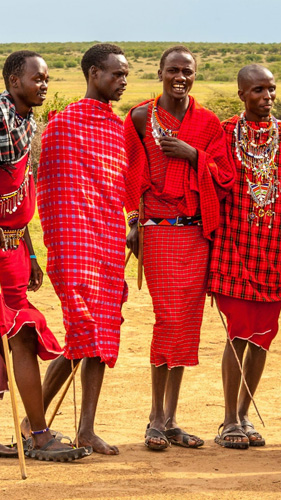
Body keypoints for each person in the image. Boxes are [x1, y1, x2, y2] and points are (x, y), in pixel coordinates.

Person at [124, 45, 235, 450]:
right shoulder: (139, 116)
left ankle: (171, 420)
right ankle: (154, 418)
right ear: (159, 72)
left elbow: (226, 176)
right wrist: (133, 222)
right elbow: (130, 174)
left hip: (196, 233)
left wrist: (193, 156)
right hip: (158, 230)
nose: (180, 77)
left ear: (194, 75)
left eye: (187, 71)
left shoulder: (207, 123)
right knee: (167, 320)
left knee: (187, 326)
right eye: (173, 70)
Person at [35, 43, 129, 455]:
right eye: (115, 74)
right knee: (84, 331)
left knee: (102, 334)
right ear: (93, 73)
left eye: (126, 74)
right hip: (72, 241)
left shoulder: (115, 126)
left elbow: (117, 186)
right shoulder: (63, 124)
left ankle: (86, 428)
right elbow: (49, 191)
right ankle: (33, 423)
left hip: (107, 240)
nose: (122, 81)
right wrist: (58, 242)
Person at [0, 51, 87, 461]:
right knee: (22, 333)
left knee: (20, 335)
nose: (44, 85)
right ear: (15, 80)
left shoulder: (24, 121)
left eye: (47, 79)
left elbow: (20, 195)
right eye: (38, 79)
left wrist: (31, 252)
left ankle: (36, 433)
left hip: (13, 249)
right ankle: (38, 434)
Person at [208, 64, 281, 449]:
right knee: (238, 334)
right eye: (258, 90)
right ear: (242, 94)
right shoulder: (225, 133)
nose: (267, 97)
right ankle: (229, 419)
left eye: (271, 89)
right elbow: (212, 177)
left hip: (276, 251)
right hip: (234, 248)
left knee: (262, 338)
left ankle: (245, 414)